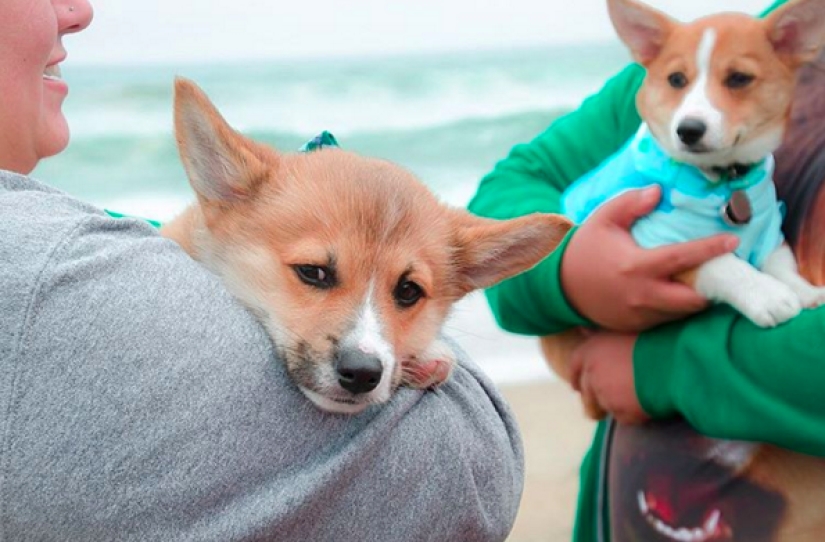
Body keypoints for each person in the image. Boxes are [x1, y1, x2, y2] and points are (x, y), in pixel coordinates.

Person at [0, 2, 522, 541]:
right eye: (316, 273)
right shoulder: (64, 281)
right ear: (225, 193)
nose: (366, 350)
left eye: (406, 292)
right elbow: (471, 490)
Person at [469, 0, 825, 540]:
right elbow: (500, 201)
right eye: (678, 80)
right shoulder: (708, 48)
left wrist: (654, 367)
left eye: (737, 81)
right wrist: (569, 274)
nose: (697, 101)